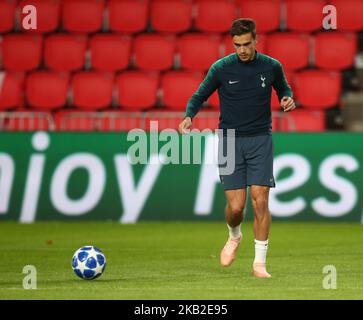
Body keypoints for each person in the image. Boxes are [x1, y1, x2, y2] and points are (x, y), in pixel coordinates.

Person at [178, 18, 295, 278]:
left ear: (256, 40)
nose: (241, 49)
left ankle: (259, 264)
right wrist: (189, 116)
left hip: (260, 139)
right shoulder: (221, 68)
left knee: (261, 201)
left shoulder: (271, 66)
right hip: (230, 140)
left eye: (246, 44)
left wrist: (287, 98)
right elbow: (199, 95)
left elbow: (283, 88)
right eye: (237, 45)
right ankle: (234, 235)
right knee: (236, 208)